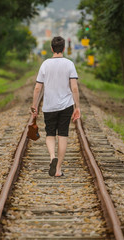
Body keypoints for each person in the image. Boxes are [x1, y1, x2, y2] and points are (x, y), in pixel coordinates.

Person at [31, 36, 80, 177]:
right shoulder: (69, 64)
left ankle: (52, 157)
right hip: (66, 105)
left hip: (49, 106)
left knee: (50, 134)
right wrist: (77, 107)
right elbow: (74, 88)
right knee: (63, 135)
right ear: (64, 48)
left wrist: (34, 106)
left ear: (52, 49)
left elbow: (37, 88)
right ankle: (58, 169)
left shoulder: (45, 64)